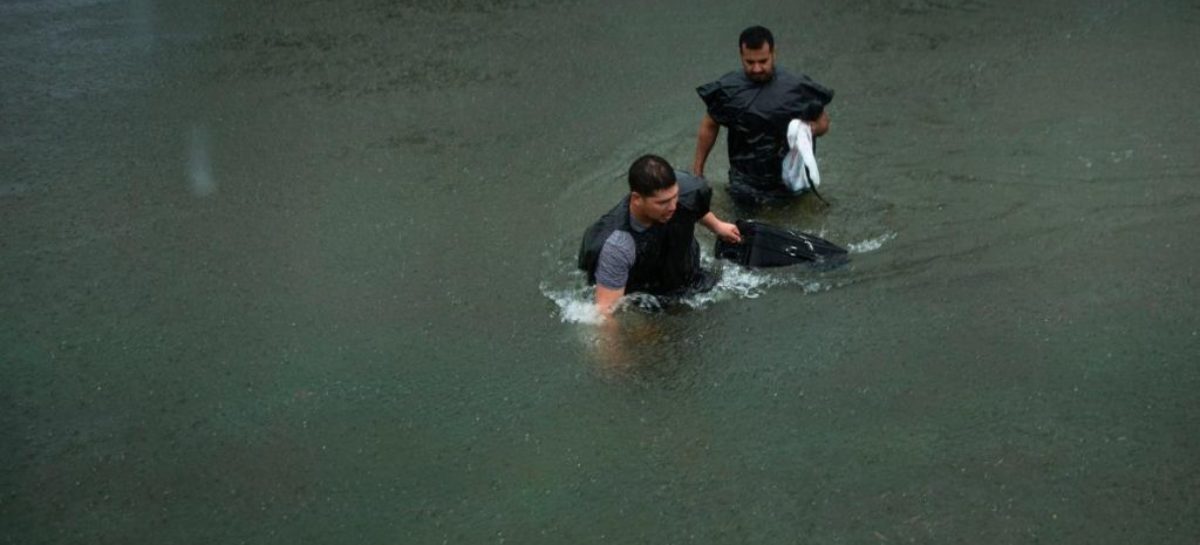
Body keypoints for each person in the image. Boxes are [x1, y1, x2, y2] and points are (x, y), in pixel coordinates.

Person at [578, 155, 741, 317]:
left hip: (686, 271)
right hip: (646, 293)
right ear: (637, 199)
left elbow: (690, 203)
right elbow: (605, 312)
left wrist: (718, 226)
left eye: (675, 197)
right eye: (663, 203)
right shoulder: (618, 246)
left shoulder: (683, 191)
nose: (673, 207)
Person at [692, 25, 835, 206]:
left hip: (789, 180)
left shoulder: (797, 87)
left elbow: (823, 122)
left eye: (763, 61)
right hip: (745, 181)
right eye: (750, 62)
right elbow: (710, 124)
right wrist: (697, 171)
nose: (757, 68)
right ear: (741, 55)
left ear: (774, 53)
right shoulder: (728, 90)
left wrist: (810, 129)